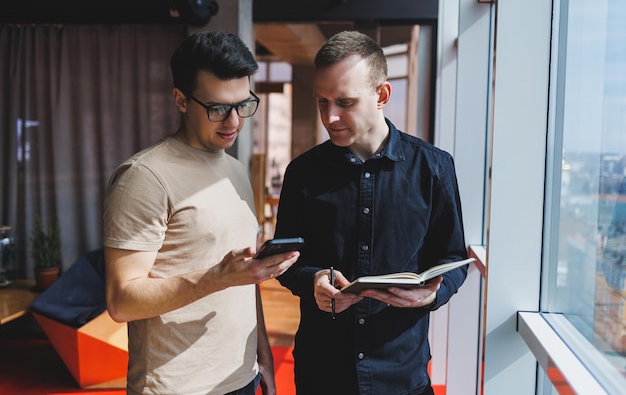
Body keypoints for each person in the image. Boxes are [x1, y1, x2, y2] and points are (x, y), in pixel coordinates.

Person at [102, 30, 299, 395]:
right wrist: (215, 278)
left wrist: (264, 360)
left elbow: (243, 277)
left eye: (242, 104)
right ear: (180, 100)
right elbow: (120, 301)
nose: (234, 122)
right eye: (217, 108)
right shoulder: (144, 177)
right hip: (176, 386)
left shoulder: (237, 170)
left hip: (241, 376)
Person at [274, 30, 469, 395]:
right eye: (322, 102)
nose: (329, 117)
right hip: (322, 373)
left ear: (381, 95)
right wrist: (311, 280)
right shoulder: (302, 172)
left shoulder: (434, 167)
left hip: (402, 375)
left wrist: (431, 296)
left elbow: (455, 258)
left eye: (344, 102)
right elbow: (287, 263)